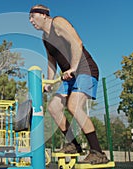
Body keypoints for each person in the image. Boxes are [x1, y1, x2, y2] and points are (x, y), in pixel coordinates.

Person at [29, 4, 109, 164]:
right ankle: (73, 144)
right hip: (70, 76)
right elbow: (51, 62)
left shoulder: (58, 22)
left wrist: (73, 67)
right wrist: (49, 82)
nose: (31, 20)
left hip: (85, 69)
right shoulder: (45, 38)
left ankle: (98, 152)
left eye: (33, 16)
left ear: (44, 14)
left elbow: (77, 43)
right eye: (29, 18)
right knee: (54, 108)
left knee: (73, 106)